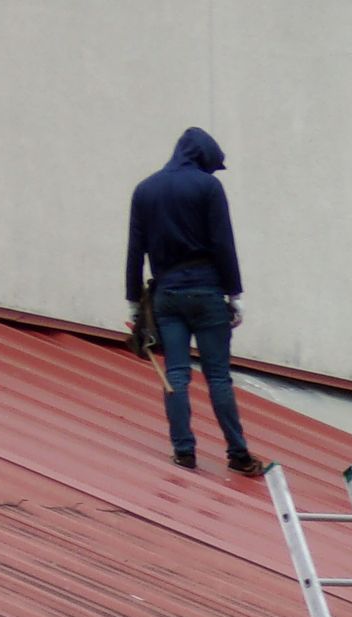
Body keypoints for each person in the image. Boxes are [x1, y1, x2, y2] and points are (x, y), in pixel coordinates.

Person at [124, 127, 264, 477]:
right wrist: (236, 293)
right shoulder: (208, 187)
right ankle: (237, 453)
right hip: (207, 290)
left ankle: (184, 451)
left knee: (176, 374)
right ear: (204, 159)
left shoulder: (145, 189)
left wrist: (132, 301)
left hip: (166, 296)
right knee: (218, 376)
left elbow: (135, 250)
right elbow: (222, 243)